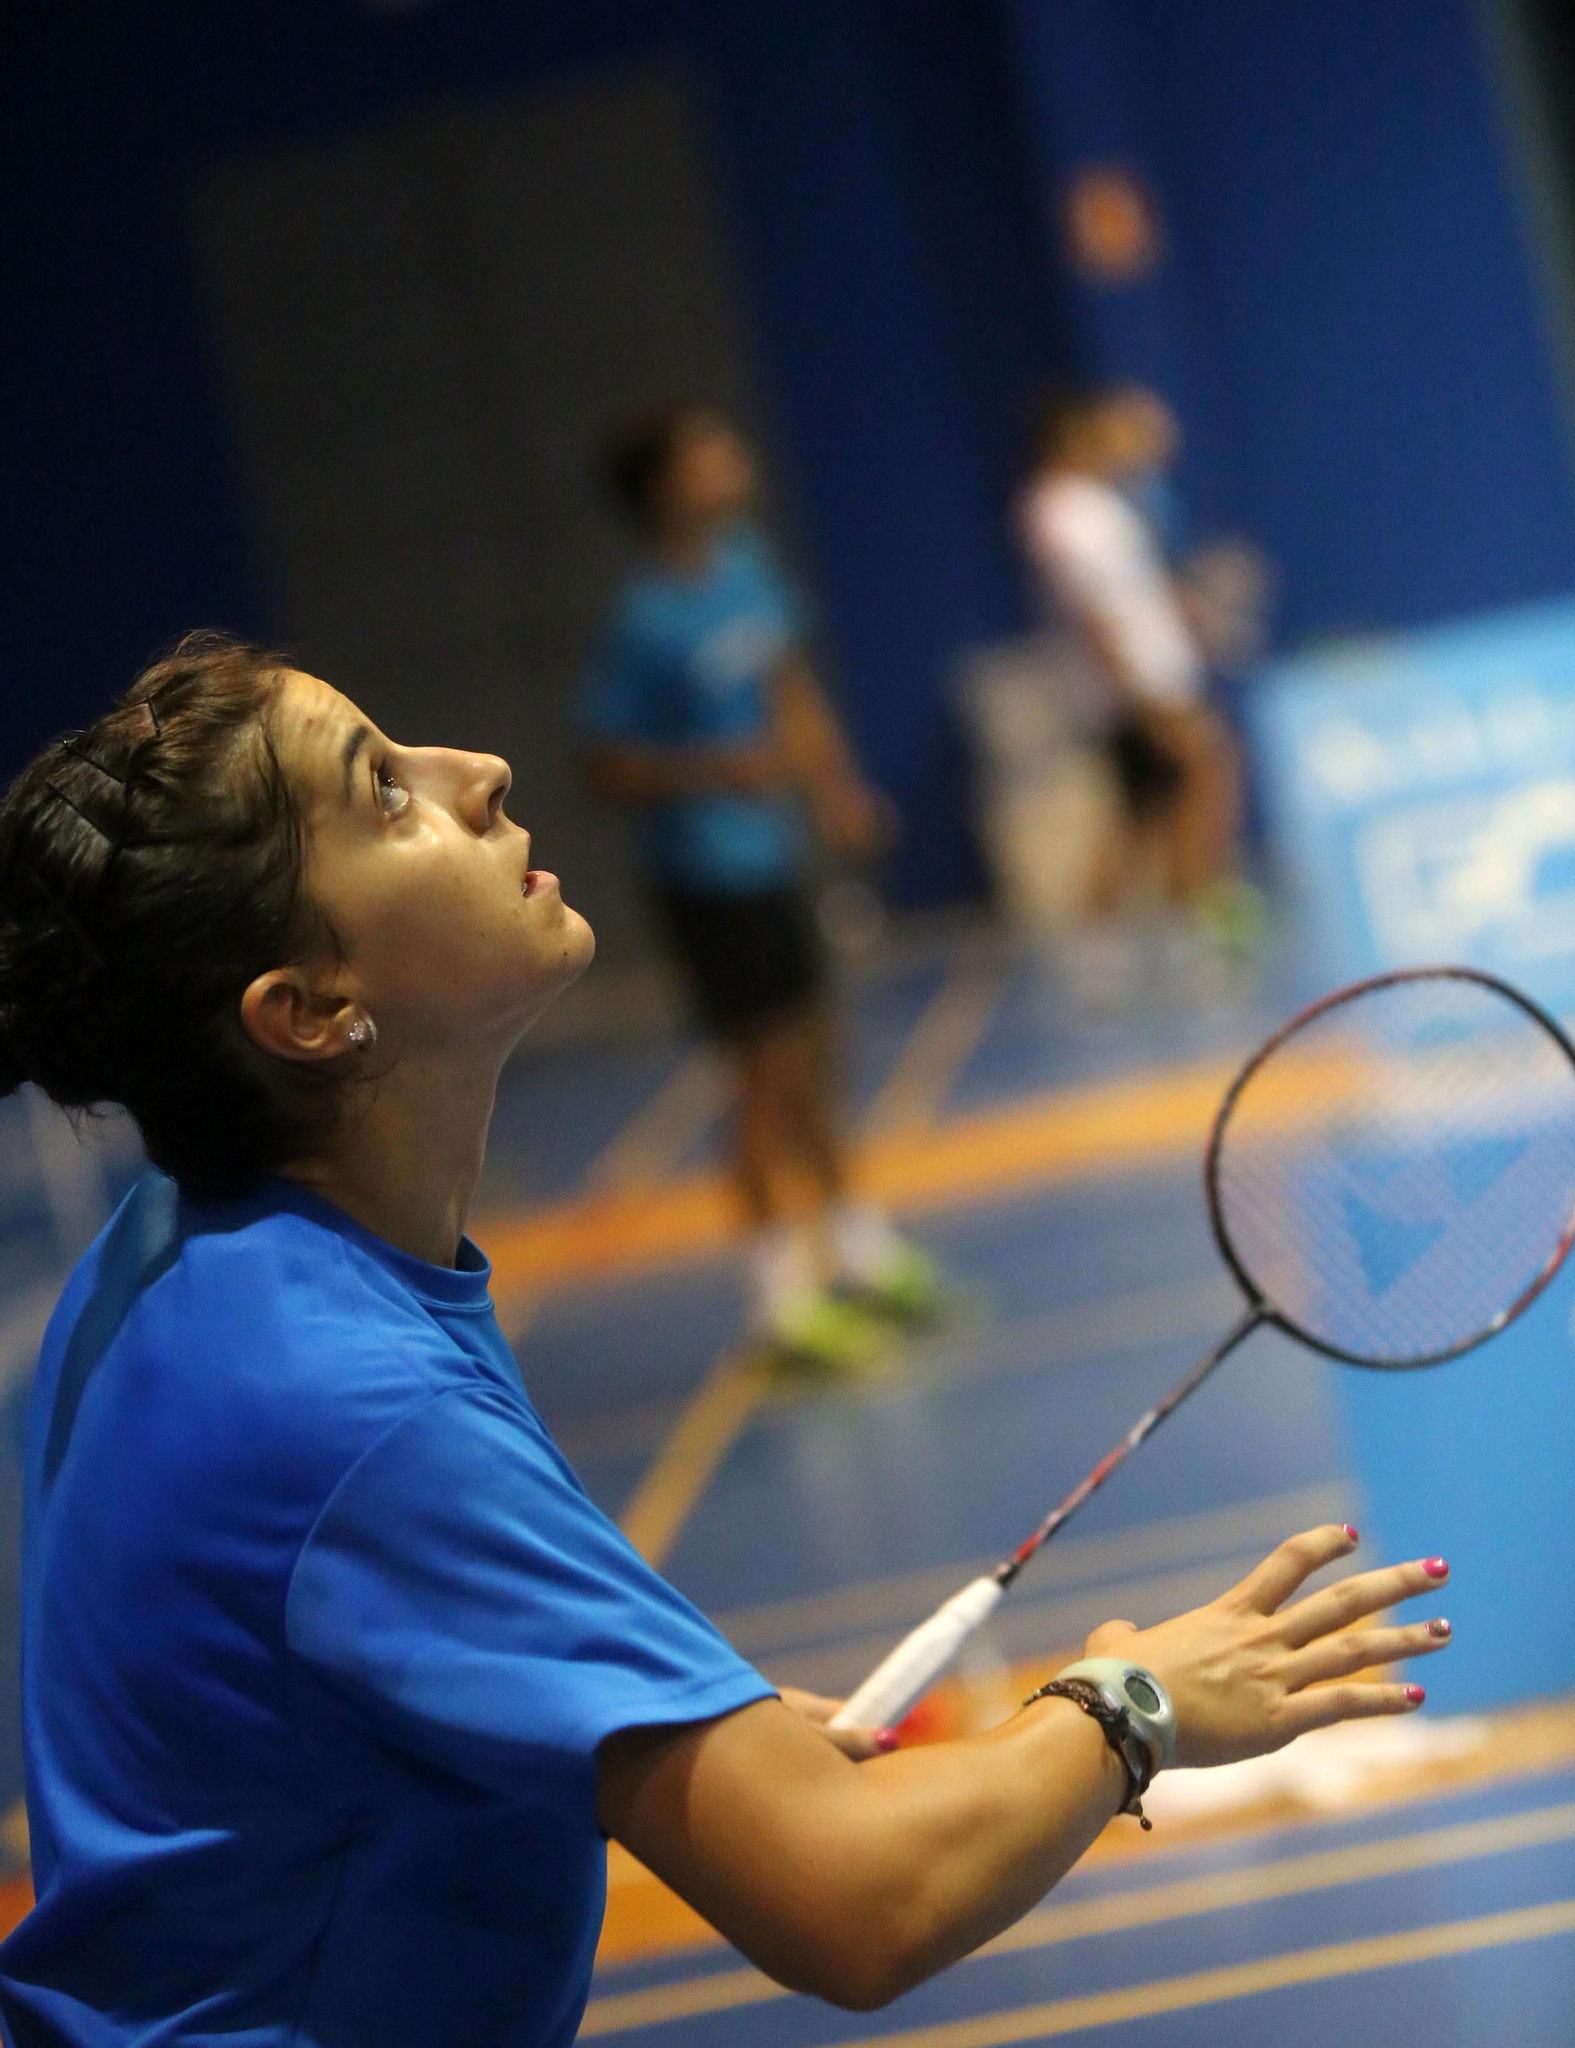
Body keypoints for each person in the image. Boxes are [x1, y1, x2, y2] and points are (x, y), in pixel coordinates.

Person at [0, 634, 1453, 2045]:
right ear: (309, 1011)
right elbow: (859, 1904)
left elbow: (325, 1712)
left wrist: (675, 1731)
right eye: (384, 791)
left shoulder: (187, 1258)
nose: (481, 771)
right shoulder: (344, 1402)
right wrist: (1133, 1705)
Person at [580, 406, 937, 1369]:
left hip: (772, 855)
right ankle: (780, 1298)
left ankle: (858, 1248)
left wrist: (836, 791)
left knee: (820, 1052)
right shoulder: (645, 620)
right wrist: (708, 771)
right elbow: (605, 764)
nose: (729, 457)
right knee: (762, 1079)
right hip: (703, 873)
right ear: (663, 489)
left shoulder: (744, 563)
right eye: (704, 452)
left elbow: (789, 687)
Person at [1018, 383, 1261, 954]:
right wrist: (1139, 696)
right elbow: (1093, 615)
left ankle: (1121, 943)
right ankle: (1195, 920)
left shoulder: (1095, 503)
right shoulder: (1061, 513)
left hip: (1154, 676)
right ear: (1065, 440)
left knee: (1140, 814)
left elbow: (1135, 586)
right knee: (1206, 772)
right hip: (1137, 686)